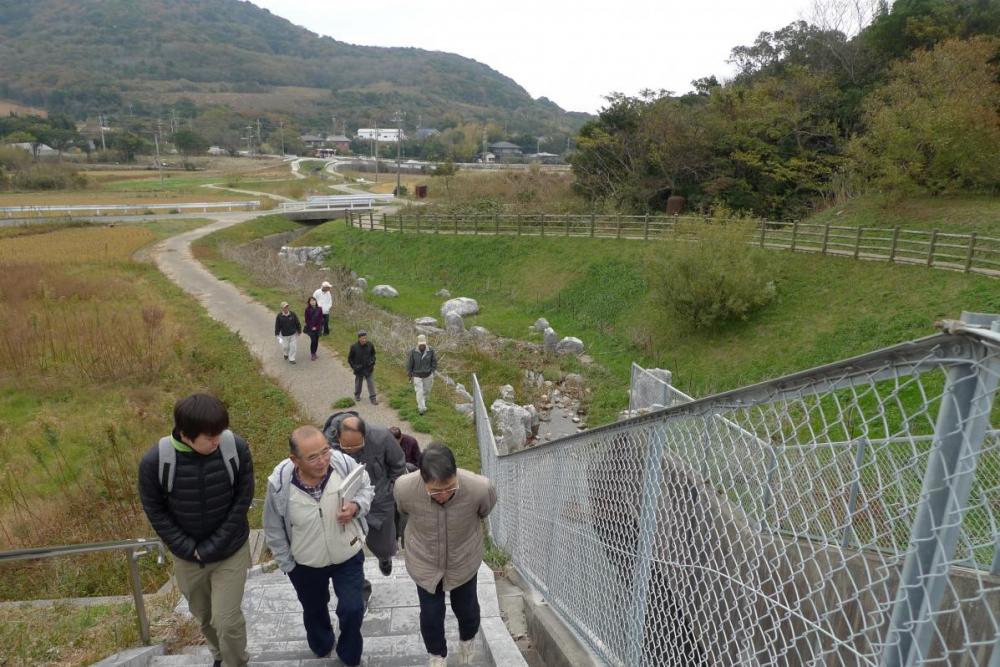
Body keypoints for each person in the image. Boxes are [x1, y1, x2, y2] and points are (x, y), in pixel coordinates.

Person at [138, 394, 254, 667]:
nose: (217, 441)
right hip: (188, 557)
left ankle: (236, 662)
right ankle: (218, 655)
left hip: (230, 551)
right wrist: (187, 548)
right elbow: (154, 509)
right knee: (204, 615)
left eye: (220, 433)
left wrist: (213, 546)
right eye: (210, 437)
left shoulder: (233, 448)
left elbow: (243, 498)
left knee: (227, 619)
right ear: (186, 434)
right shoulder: (156, 462)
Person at [262, 425, 374, 667]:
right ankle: (322, 643)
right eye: (313, 457)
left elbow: (366, 487)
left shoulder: (343, 464)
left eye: (325, 451)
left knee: (353, 608)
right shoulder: (280, 485)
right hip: (305, 563)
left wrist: (356, 506)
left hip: (347, 553)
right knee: (313, 609)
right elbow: (272, 527)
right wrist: (287, 564)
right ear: (295, 460)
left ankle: (350, 653)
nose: (322, 461)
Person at [394, 443, 497, 667]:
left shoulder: (479, 488)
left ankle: (467, 639)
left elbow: (484, 510)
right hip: (424, 560)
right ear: (422, 480)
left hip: (463, 558)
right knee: (430, 615)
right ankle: (437, 655)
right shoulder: (404, 487)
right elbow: (403, 509)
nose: (443, 496)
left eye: (449, 488)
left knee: (467, 609)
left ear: (455, 474)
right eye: (435, 491)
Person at [323, 413, 406, 606]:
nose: (351, 453)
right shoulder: (325, 444)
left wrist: (389, 490)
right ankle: (360, 592)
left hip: (378, 499)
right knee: (349, 552)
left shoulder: (382, 436)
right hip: (344, 506)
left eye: (357, 447)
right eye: (346, 448)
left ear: (365, 435)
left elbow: (398, 465)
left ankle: (385, 558)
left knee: (384, 544)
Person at [389, 426, 421, 548]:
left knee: (405, 515)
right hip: (392, 483)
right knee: (392, 515)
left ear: (401, 438)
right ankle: (394, 541)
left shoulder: (411, 442)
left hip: (408, 481)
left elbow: (419, 462)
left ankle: (405, 543)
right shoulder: (385, 445)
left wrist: (408, 468)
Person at [406, 334, 438, 415]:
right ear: (418, 343)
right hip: (417, 375)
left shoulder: (430, 350)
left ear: (425, 343)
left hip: (428, 375)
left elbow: (434, 362)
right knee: (419, 392)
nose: (422, 346)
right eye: (421, 344)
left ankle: (422, 403)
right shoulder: (413, 351)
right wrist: (410, 375)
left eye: (423, 344)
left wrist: (432, 371)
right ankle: (421, 409)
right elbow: (410, 364)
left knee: (427, 391)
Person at [348, 330, 377, 405]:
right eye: (363, 338)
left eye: (365, 338)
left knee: (371, 383)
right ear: (359, 338)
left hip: (368, 368)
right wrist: (354, 367)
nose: (364, 340)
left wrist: (372, 362)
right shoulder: (354, 347)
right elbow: (350, 359)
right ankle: (357, 395)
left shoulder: (370, 345)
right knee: (358, 383)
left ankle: (373, 398)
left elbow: (373, 354)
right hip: (359, 369)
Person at [304, 296, 324, 361]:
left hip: (318, 328)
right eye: (311, 301)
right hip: (311, 328)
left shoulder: (320, 309)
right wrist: (312, 327)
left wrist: (317, 327)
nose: (313, 302)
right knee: (313, 340)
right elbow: (307, 320)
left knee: (317, 340)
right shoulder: (307, 309)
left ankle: (315, 352)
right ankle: (312, 354)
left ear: (316, 301)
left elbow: (321, 319)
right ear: (309, 302)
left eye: (314, 300)